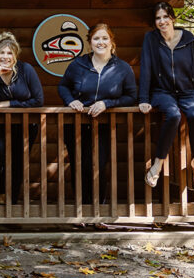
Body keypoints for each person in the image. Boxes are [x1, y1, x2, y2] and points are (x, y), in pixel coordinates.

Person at [139, 2, 194, 189]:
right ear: (154, 22)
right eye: (158, 18)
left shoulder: (188, 38)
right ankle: (158, 162)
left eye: (166, 17)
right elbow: (146, 68)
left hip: (188, 91)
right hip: (162, 92)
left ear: (172, 18)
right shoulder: (151, 39)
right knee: (172, 114)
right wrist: (143, 99)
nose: (162, 21)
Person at [58, 23, 137, 203]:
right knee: (80, 166)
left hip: (104, 125)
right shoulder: (78, 64)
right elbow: (63, 86)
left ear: (111, 41)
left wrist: (106, 103)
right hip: (76, 124)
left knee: (99, 166)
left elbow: (131, 96)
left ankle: (98, 210)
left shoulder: (122, 68)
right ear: (90, 42)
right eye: (96, 39)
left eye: (104, 38)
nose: (100, 42)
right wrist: (71, 100)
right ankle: (81, 210)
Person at [0, 31, 43, 204]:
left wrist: (10, 104)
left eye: (9, 53)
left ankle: (11, 200)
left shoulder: (25, 70)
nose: (5, 56)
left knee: (18, 162)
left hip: (24, 126)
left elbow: (38, 100)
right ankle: (2, 191)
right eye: (2, 52)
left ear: (16, 56)